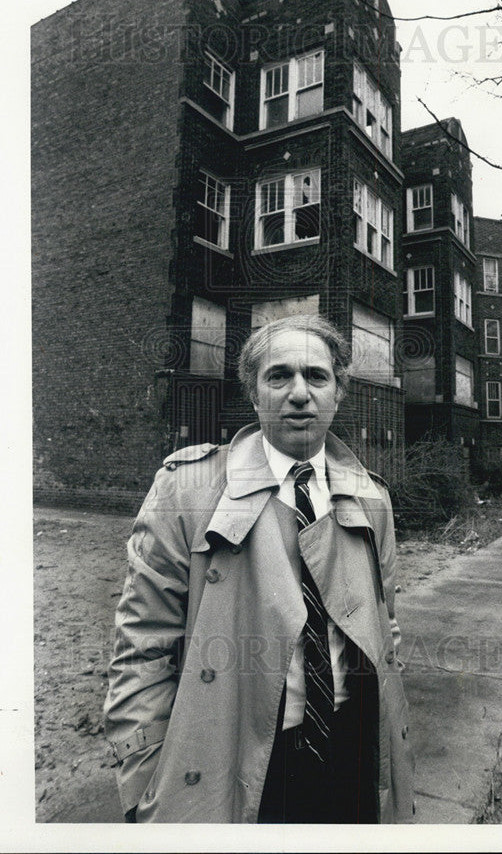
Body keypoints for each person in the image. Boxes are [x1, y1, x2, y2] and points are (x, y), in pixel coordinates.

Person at [103, 314, 415, 823]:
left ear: (339, 391)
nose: (299, 393)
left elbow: (387, 628)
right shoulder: (187, 490)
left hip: (355, 753)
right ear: (254, 393)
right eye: (279, 376)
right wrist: (143, 778)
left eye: (317, 377)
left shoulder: (370, 496)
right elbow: (142, 648)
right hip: (242, 762)